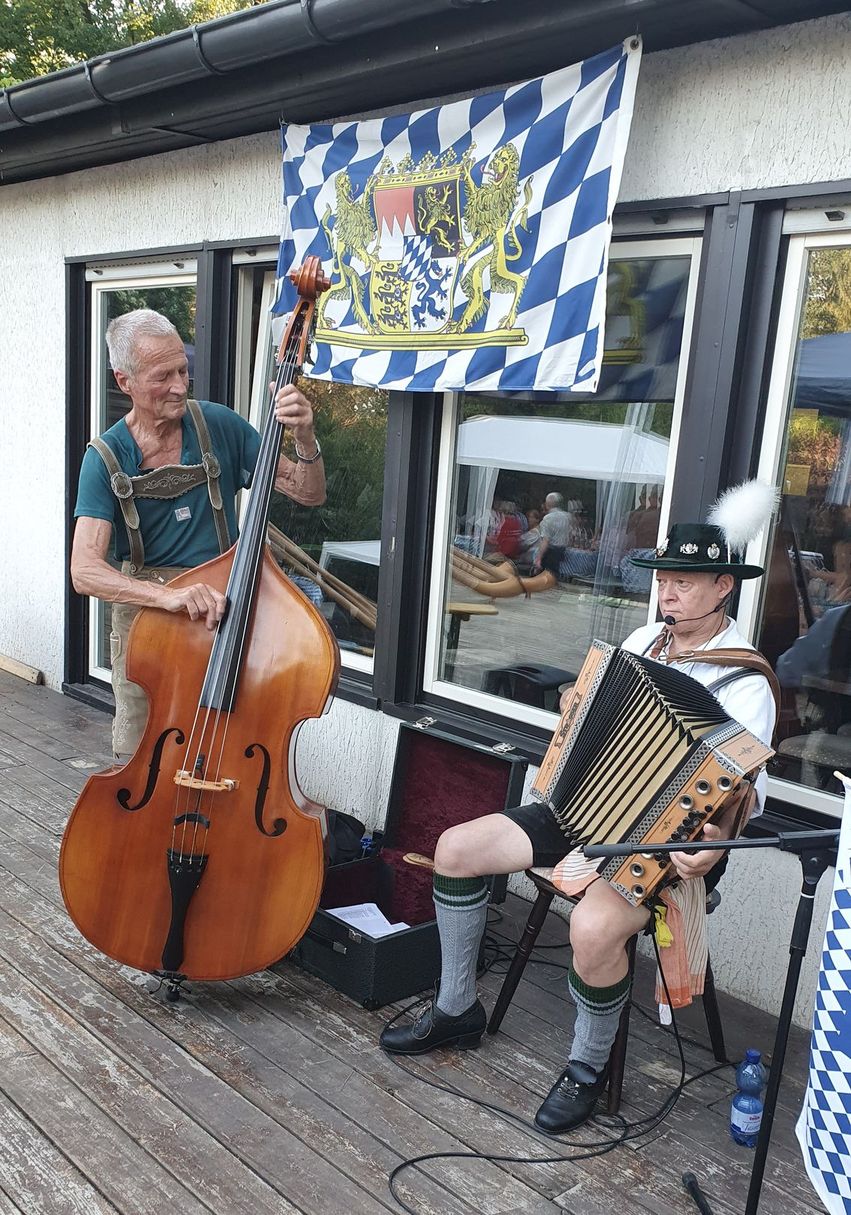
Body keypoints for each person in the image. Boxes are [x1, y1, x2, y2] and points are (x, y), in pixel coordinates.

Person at [380, 481, 778, 1136]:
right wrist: (575, 707)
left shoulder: (746, 679)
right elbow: (596, 719)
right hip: (584, 810)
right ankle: (455, 1008)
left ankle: (585, 1069)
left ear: (723, 587)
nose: (667, 593)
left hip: (667, 843)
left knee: (592, 929)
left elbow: (744, 792)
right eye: (663, 579)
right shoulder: (645, 639)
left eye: (683, 582)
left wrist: (708, 844)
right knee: (455, 848)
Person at [71, 309, 325, 761]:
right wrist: (167, 596)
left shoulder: (219, 424)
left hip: (228, 610)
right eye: (162, 376)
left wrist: (304, 436)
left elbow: (308, 493)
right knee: (144, 754)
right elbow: (85, 571)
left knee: (232, 746)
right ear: (124, 381)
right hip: (149, 624)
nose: (179, 386)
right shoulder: (105, 457)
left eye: (182, 370)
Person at [534, 492, 574, 576]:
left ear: (547, 504)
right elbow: (571, 535)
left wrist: (539, 558)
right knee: (554, 575)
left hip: (550, 552)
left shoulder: (548, 518)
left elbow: (545, 541)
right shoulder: (568, 517)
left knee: (545, 576)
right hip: (562, 550)